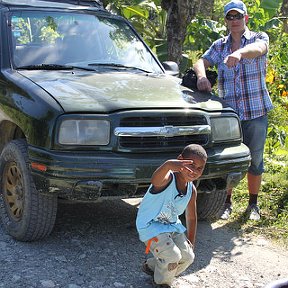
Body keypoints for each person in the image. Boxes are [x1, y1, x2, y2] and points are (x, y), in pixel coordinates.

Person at [193, 0, 273, 221]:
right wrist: (201, 76)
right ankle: (226, 203)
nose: (235, 20)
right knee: (229, 160)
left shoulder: (259, 38)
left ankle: (253, 204)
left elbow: (259, 49)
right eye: (230, 17)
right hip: (230, 116)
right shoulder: (220, 46)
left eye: (238, 16)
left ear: (246, 18)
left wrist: (240, 54)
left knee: (255, 161)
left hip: (256, 113)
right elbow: (201, 61)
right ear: (226, 21)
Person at [136, 144, 207, 288]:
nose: (194, 171)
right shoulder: (167, 179)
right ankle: (162, 283)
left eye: (199, 168)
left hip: (171, 227)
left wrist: (191, 242)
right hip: (150, 226)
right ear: (180, 160)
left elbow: (191, 217)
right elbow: (155, 180)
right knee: (173, 257)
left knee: (188, 257)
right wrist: (168, 165)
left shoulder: (191, 190)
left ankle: (152, 267)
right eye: (191, 165)